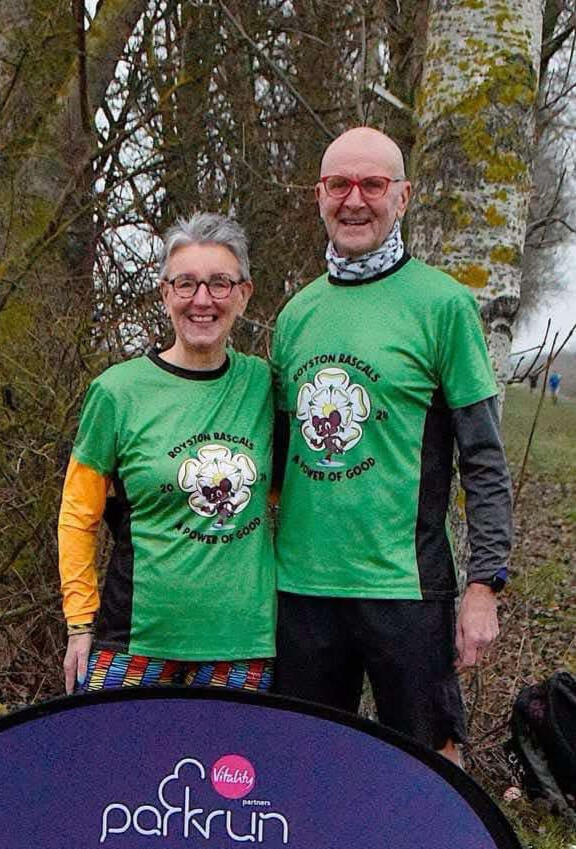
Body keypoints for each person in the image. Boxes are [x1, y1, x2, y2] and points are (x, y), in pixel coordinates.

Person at [271, 127, 512, 764]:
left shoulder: (443, 305)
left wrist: (485, 583)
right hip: (301, 591)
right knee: (302, 767)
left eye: (372, 185)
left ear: (401, 197)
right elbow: (272, 456)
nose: (355, 200)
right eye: (339, 185)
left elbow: (484, 457)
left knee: (430, 767)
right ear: (318, 196)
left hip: (404, 589)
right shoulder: (295, 314)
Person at [58, 213, 276, 695]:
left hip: (241, 645)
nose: (203, 300)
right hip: (134, 640)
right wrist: (79, 624)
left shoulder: (265, 386)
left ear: (244, 294)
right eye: (186, 284)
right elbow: (78, 516)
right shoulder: (117, 392)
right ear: (164, 294)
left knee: (230, 770)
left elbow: (290, 494)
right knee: (113, 766)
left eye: (220, 284)